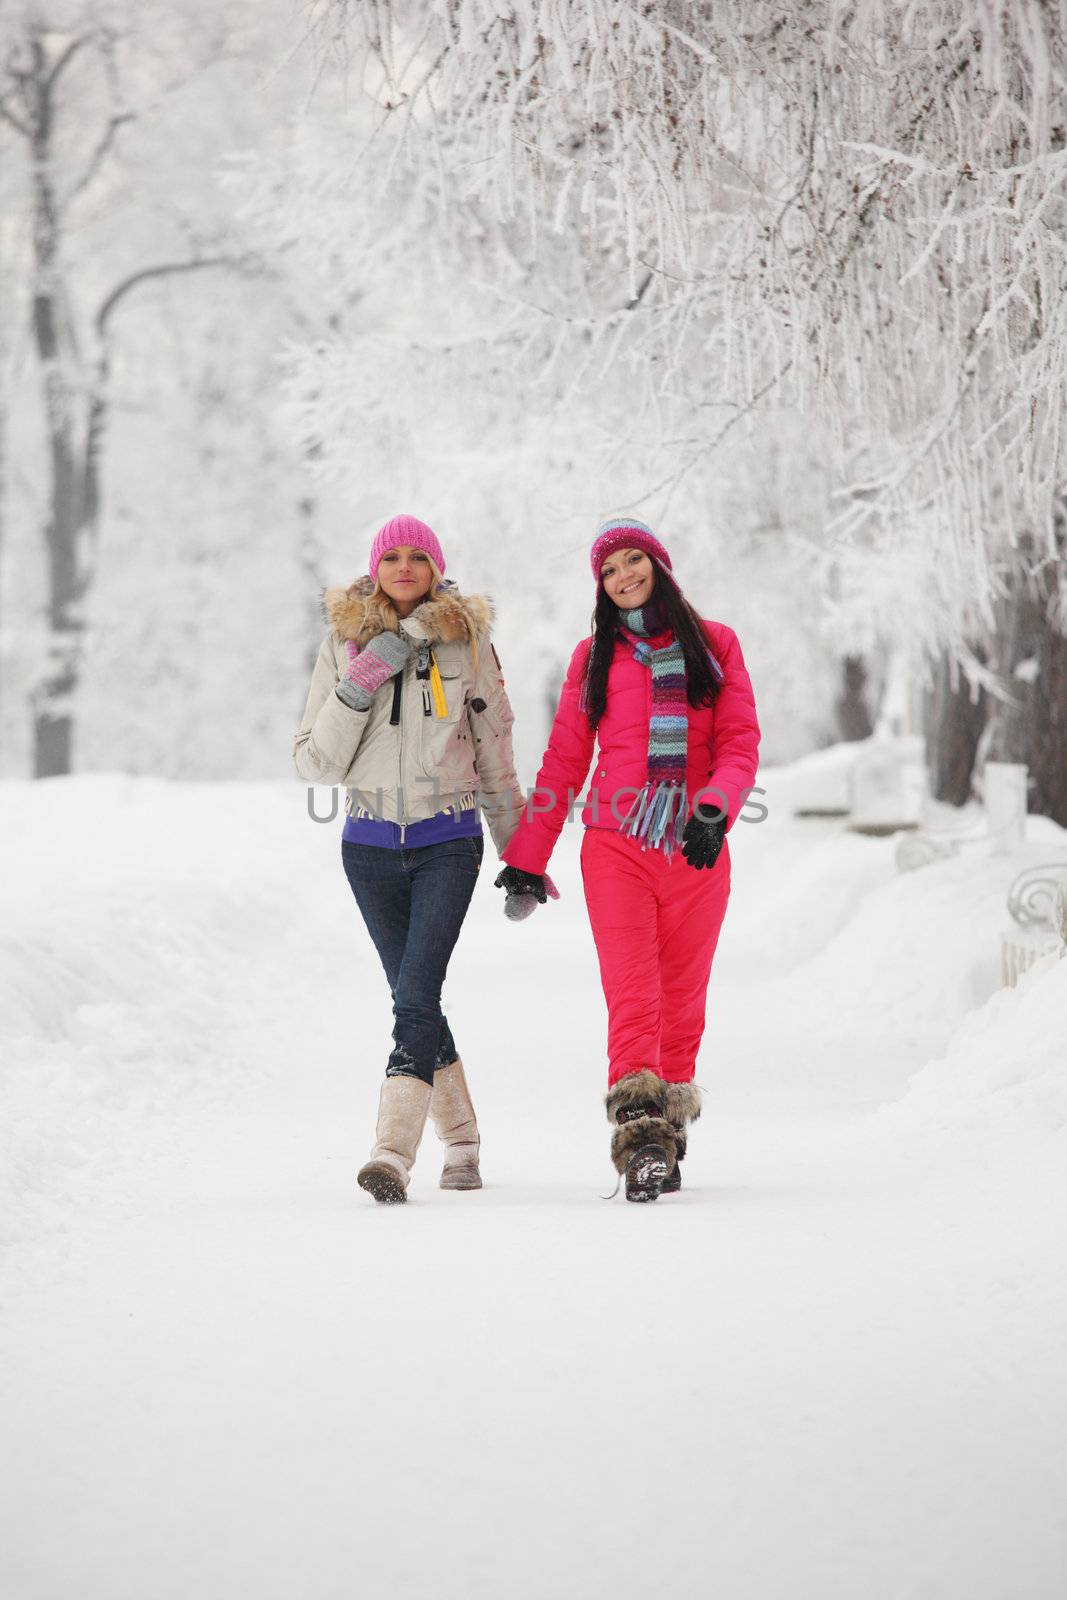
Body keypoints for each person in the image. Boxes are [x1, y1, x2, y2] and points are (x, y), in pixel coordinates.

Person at [495, 517, 760, 1201]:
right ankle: (638, 1139)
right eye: (609, 569)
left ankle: (666, 1143)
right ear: (600, 586)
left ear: (659, 566)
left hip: (695, 853)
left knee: (682, 1002)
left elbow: (737, 741)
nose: (622, 576)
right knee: (633, 995)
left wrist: (715, 808)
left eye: (633, 560)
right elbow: (564, 760)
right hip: (615, 849)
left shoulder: (716, 644)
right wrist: (528, 857)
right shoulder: (592, 658)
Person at [294, 514, 523, 1204]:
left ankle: (391, 1152)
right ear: (374, 568)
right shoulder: (343, 642)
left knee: (415, 995)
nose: (402, 567)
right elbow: (315, 763)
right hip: (366, 848)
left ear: (434, 569)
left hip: (446, 841)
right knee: (411, 998)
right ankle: (464, 1142)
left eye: (416, 556)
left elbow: (495, 752)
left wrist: (521, 856)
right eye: (389, 556)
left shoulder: (468, 641)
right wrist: (359, 681)